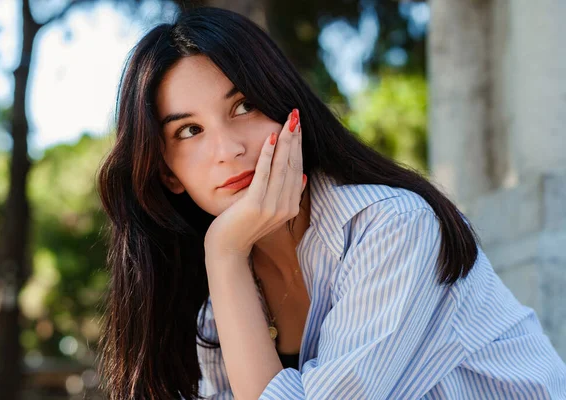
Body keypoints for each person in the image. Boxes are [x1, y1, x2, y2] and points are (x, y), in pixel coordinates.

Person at [96, 6, 566, 400]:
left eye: (244, 106)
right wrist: (227, 259)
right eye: (189, 131)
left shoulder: (391, 227)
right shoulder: (224, 297)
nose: (228, 149)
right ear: (167, 174)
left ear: (286, 107)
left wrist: (221, 251)